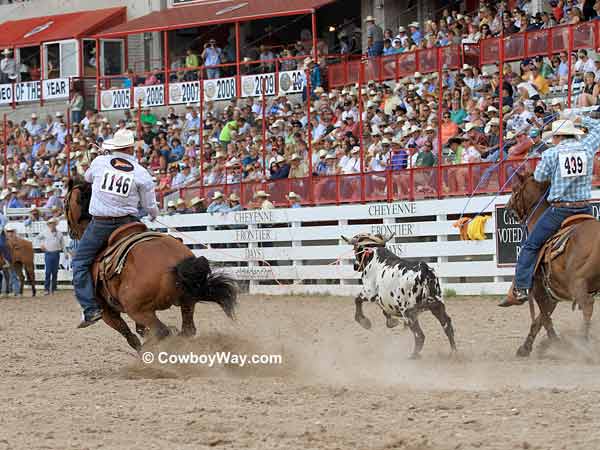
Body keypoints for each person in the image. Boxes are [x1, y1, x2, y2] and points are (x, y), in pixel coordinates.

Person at [499, 113, 600, 307]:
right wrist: (579, 117)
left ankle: (520, 288)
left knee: (530, 245)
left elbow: (539, 176)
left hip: (561, 210)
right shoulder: (587, 147)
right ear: (573, 134)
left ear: (558, 137)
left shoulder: (552, 154)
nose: (552, 140)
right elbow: (598, 127)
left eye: (553, 137)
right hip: (585, 209)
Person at [72, 129, 159, 328]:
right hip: (129, 223)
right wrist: (154, 215)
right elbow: (149, 206)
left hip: (101, 224)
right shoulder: (141, 173)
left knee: (79, 263)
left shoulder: (100, 162)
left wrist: (104, 158)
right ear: (130, 147)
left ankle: (91, 309)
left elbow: (87, 178)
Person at [39, 217, 64, 296]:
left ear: (55, 224)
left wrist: (66, 253)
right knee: (48, 272)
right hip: (48, 253)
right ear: (49, 225)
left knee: (55, 272)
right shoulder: (45, 232)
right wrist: (41, 245)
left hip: (56, 253)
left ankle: (53, 288)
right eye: (50, 224)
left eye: (53, 223)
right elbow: (37, 238)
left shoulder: (59, 233)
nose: (52, 225)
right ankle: (46, 288)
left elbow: (63, 244)